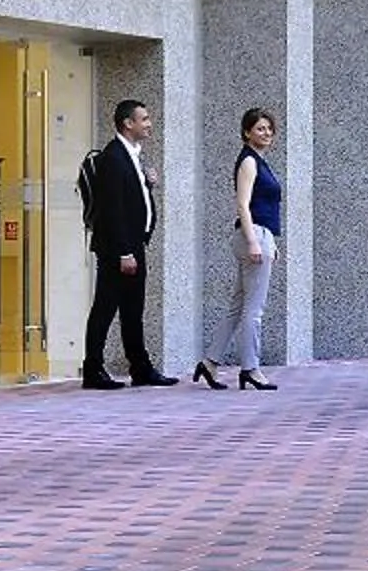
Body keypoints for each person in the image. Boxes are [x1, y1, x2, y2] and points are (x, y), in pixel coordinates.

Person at [82, 99, 179, 388]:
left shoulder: (132, 155)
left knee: (132, 310)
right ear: (128, 123)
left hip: (134, 244)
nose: (149, 124)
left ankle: (140, 367)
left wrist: (148, 184)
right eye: (144, 119)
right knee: (105, 309)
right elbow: (113, 211)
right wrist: (124, 251)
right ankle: (93, 370)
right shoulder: (113, 157)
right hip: (118, 249)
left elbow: (130, 199)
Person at [194, 109, 285, 392]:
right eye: (260, 128)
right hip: (253, 235)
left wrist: (270, 240)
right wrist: (255, 241)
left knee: (237, 307)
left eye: (269, 128)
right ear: (246, 132)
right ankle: (250, 369)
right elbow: (243, 204)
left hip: (260, 234)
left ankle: (209, 362)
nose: (266, 133)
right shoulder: (248, 161)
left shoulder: (259, 161)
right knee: (253, 310)